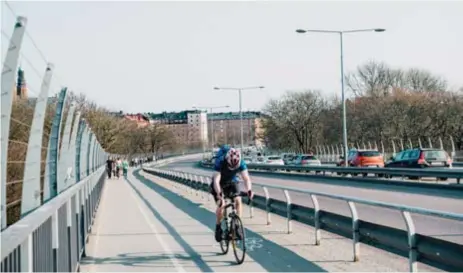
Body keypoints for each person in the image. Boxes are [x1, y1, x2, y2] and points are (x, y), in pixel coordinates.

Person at [210, 146, 254, 242]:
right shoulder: (220, 161)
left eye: (235, 167)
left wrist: (249, 190)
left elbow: (246, 178)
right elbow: (216, 180)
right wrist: (219, 193)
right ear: (227, 160)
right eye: (230, 166)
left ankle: (237, 226)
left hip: (232, 181)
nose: (232, 168)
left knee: (238, 200)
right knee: (222, 204)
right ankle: (218, 227)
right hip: (219, 182)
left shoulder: (241, 162)